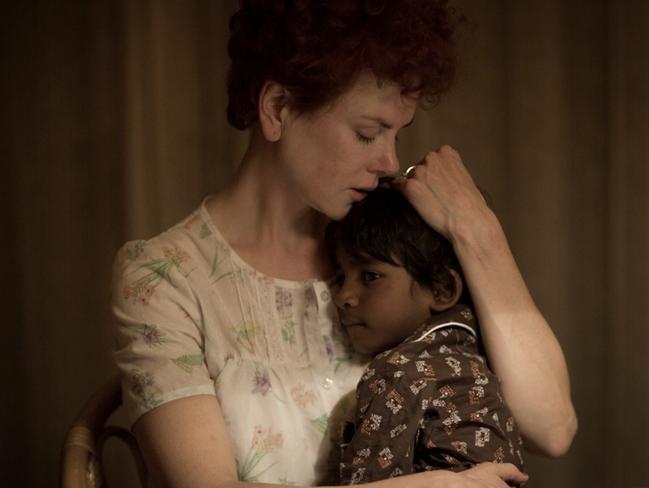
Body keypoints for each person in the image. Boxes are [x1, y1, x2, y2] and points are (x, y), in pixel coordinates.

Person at [111, 1, 577, 487]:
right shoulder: (164, 278)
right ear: (277, 108)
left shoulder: (392, 238)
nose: (390, 162)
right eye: (367, 133)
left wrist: (477, 230)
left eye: (397, 135)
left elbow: (552, 428)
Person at [324, 187, 524, 484]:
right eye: (340, 278)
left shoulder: (397, 372)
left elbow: (364, 485)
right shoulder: (482, 355)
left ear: (442, 288)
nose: (343, 296)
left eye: (370, 276)